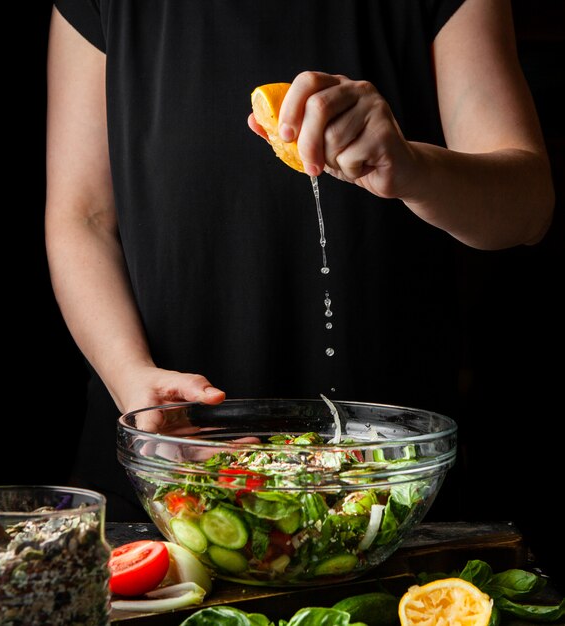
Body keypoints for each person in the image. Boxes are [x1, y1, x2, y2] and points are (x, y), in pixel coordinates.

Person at [45, 0, 554, 521]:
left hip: (392, 484)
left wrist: (411, 166)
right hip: (166, 470)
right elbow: (80, 218)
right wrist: (130, 377)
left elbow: (527, 208)